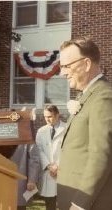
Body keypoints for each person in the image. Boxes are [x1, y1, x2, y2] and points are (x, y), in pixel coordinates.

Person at [57, 37, 112, 210]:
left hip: (88, 203)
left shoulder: (103, 97)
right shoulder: (88, 95)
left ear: (86, 64)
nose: (62, 73)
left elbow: (101, 155)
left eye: (66, 66)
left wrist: (80, 203)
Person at [36, 105, 66, 210]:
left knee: (64, 202)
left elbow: (67, 150)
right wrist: (49, 166)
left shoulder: (66, 129)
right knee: (49, 204)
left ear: (57, 115)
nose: (47, 119)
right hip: (48, 171)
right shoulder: (41, 131)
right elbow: (39, 150)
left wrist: (57, 166)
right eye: (45, 117)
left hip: (62, 170)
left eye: (50, 116)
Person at [10, 143, 40, 210]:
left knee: (19, 205)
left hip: (19, 179)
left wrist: (32, 180)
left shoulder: (27, 135)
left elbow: (34, 158)